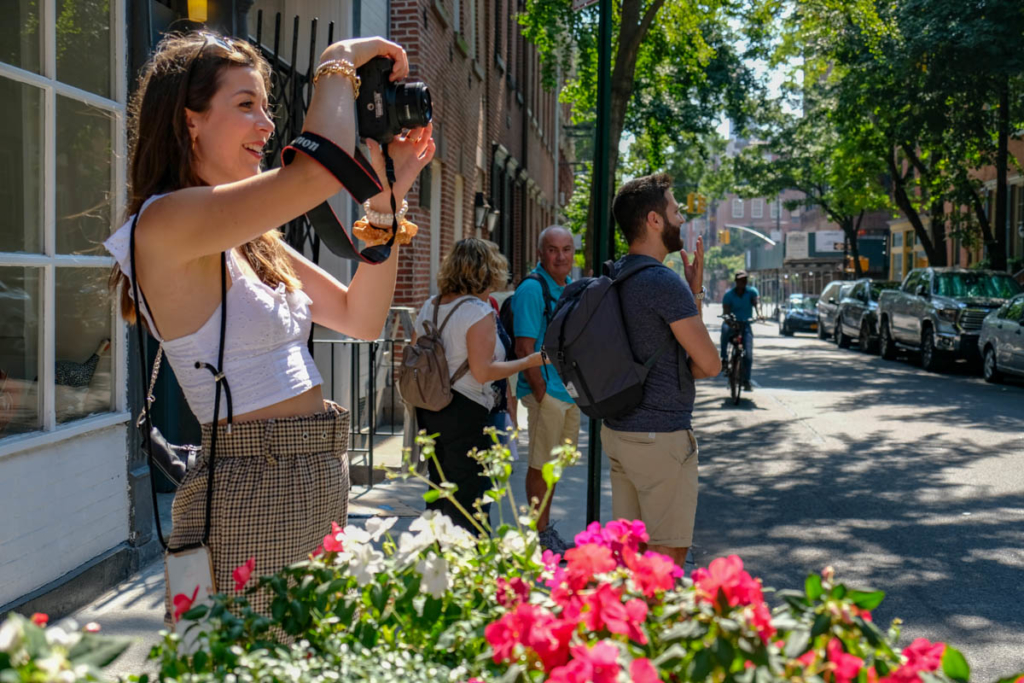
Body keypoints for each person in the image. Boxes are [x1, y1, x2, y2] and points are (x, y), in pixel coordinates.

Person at [103, 30, 434, 625]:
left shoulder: (253, 239)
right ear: (191, 122)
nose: (266, 125)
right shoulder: (162, 223)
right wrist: (335, 65)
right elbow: (313, 176)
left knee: (313, 654)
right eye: (245, 105)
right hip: (251, 489)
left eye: (267, 106)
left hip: (314, 469)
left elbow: (361, 319)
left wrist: (387, 202)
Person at [602, 173, 721, 568]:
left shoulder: (615, 274)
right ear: (654, 220)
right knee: (666, 558)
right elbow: (709, 363)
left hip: (619, 433)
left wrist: (694, 293)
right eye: (675, 210)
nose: (682, 218)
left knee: (628, 557)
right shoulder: (662, 283)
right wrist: (690, 294)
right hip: (660, 439)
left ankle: (627, 629)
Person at [413, 239, 546, 531]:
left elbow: (416, 357)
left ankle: (436, 560)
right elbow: (484, 372)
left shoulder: (430, 306)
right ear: (487, 270)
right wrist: (529, 362)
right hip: (467, 410)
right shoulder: (477, 311)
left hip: (430, 407)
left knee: (438, 490)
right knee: (471, 496)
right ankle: (471, 565)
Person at [511, 225, 579, 554]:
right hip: (546, 394)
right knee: (540, 465)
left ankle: (545, 528)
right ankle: (538, 535)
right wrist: (541, 392)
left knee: (554, 466)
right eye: (553, 249)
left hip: (567, 392)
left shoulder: (566, 287)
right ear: (541, 253)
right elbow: (524, 347)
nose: (560, 256)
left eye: (566, 249)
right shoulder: (532, 289)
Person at [721, 271, 761, 391]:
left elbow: (757, 303)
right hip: (732, 324)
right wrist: (729, 321)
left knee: (748, 355)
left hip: (746, 325)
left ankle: (746, 380)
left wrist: (760, 314)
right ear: (736, 281)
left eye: (744, 280)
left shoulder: (752, 292)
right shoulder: (729, 295)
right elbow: (726, 312)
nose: (742, 282)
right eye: (740, 280)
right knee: (724, 331)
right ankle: (724, 359)